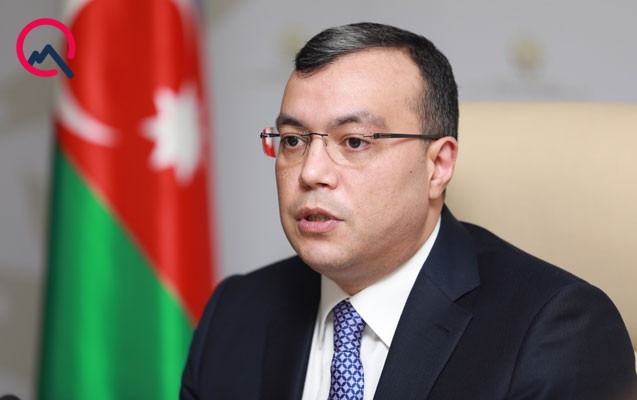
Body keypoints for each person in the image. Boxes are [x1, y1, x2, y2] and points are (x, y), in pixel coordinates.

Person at [180, 22, 636, 399]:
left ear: (438, 165)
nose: (311, 172)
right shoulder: (235, 313)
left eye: (354, 141)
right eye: (294, 141)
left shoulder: (555, 331)